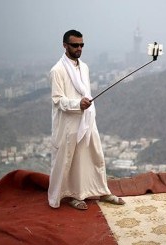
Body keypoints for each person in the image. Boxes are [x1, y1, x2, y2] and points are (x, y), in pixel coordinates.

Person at [48, 29, 125, 210]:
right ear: (65, 45)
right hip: (68, 125)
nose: (79, 48)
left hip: (87, 120)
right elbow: (57, 100)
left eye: (82, 45)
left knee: (95, 155)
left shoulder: (84, 67)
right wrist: (77, 104)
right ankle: (73, 196)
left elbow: (86, 93)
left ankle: (102, 190)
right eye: (75, 45)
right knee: (71, 161)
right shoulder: (57, 70)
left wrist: (85, 107)